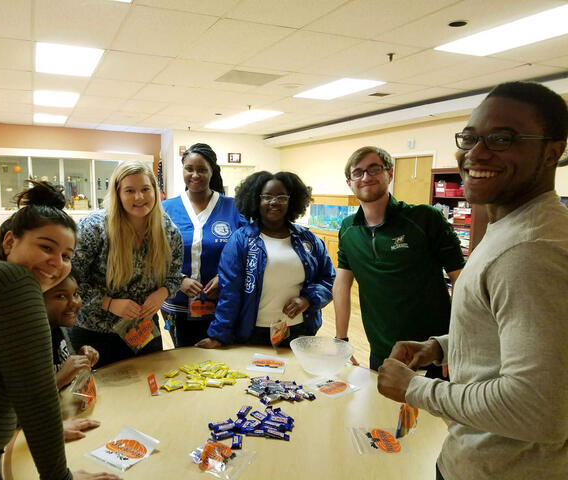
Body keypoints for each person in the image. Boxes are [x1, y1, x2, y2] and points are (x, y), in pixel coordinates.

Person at [377, 81, 568, 480]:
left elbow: (536, 408)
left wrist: (416, 389)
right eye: (470, 137)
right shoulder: (515, 228)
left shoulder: (530, 250)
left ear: (553, 151)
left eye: (502, 139)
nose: (476, 154)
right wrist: (442, 347)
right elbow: (514, 335)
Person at [0, 181, 120, 480]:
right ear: (9, 242)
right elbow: (37, 397)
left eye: (66, 256)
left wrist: (50, 428)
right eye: (46, 247)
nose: (56, 264)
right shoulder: (14, 282)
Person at [333, 145, 464, 375]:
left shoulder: (425, 219)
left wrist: (457, 343)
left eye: (374, 169)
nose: (366, 177)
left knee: (433, 412)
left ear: (389, 174)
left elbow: (462, 281)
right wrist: (341, 339)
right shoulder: (347, 229)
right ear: (349, 182)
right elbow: (342, 285)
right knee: (383, 411)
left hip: (435, 352)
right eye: (358, 172)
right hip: (383, 350)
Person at [197, 171, 335, 348]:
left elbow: (329, 279)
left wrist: (308, 299)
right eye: (267, 196)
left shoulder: (308, 240)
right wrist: (218, 336)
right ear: (255, 200)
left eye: (281, 197)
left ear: (292, 200)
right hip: (253, 334)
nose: (274, 202)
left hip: (299, 331)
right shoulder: (241, 240)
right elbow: (230, 292)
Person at [70, 161, 183, 368]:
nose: (139, 197)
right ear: (118, 194)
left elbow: (175, 275)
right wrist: (109, 303)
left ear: (155, 192)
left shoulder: (168, 231)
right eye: (130, 190)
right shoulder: (93, 228)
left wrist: (163, 293)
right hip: (94, 333)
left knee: (148, 392)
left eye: (145, 189)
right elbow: (71, 283)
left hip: (143, 331)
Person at [161, 143, 246, 347]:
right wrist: (178, 280)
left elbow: (248, 252)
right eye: (189, 169)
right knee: (182, 362)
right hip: (177, 304)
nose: (195, 175)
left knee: (219, 364)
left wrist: (223, 278)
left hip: (221, 307)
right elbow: (153, 255)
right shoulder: (165, 209)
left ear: (212, 171)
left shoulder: (233, 208)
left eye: (202, 169)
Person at [43, 270, 102, 442]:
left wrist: (80, 357)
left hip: (65, 414)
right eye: (61, 296)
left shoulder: (59, 329)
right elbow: (24, 406)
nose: (74, 302)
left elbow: (62, 362)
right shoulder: (30, 341)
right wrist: (61, 377)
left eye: (75, 294)